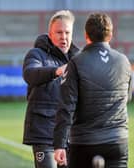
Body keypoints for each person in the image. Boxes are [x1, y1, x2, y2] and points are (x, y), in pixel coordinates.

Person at [54, 13, 133, 168]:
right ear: (110, 35)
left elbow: (66, 107)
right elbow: (127, 97)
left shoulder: (76, 62)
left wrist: (59, 144)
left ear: (86, 35)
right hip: (116, 141)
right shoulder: (124, 61)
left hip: (84, 143)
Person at [22, 10, 79, 168]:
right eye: (59, 32)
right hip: (44, 133)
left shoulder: (78, 59)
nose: (64, 37)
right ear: (50, 34)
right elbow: (30, 74)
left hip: (70, 135)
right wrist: (57, 71)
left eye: (67, 32)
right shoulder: (36, 54)